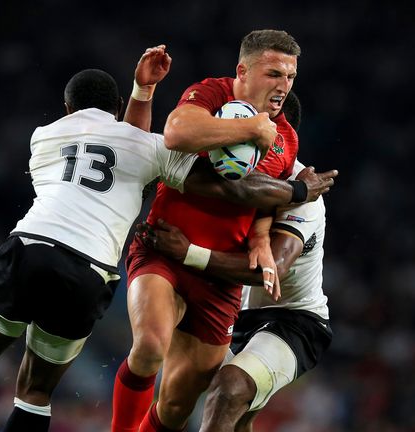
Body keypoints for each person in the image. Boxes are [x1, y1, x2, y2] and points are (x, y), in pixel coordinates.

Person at [0, 44, 332, 431]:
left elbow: (126, 148)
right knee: (37, 392)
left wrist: (146, 91)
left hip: (34, 247)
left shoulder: (42, 137)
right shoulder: (157, 144)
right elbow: (205, 176)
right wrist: (292, 187)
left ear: (68, 108)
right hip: (94, 272)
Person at [111, 29, 305, 432]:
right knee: (148, 347)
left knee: (175, 407)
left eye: (289, 77)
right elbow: (177, 134)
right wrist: (251, 128)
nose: (282, 85)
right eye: (273, 73)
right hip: (163, 248)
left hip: (218, 282)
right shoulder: (212, 94)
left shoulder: (286, 137)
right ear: (243, 71)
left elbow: (268, 200)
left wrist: (259, 238)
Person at [141, 92, 335, 432]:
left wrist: (188, 253)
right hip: (230, 309)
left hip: (292, 321)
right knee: (183, 402)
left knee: (229, 389)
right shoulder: (223, 174)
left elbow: (270, 271)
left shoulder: (305, 195)